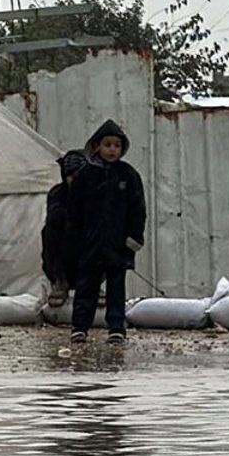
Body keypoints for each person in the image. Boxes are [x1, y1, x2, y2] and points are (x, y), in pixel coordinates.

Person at [67, 119, 146, 347]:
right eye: (107, 144)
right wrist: (74, 238)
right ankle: (80, 327)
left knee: (116, 287)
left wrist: (134, 238)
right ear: (97, 146)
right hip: (90, 243)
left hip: (118, 244)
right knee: (86, 286)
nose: (112, 150)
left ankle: (116, 328)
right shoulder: (85, 176)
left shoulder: (128, 175)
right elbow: (74, 210)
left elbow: (138, 209)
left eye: (117, 145)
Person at [40, 150, 86, 305]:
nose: (74, 180)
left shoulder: (94, 193)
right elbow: (54, 217)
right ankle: (60, 280)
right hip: (63, 250)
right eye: (70, 176)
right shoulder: (57, 193)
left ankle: (92, 282)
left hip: (87, 250)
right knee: (48, 231)